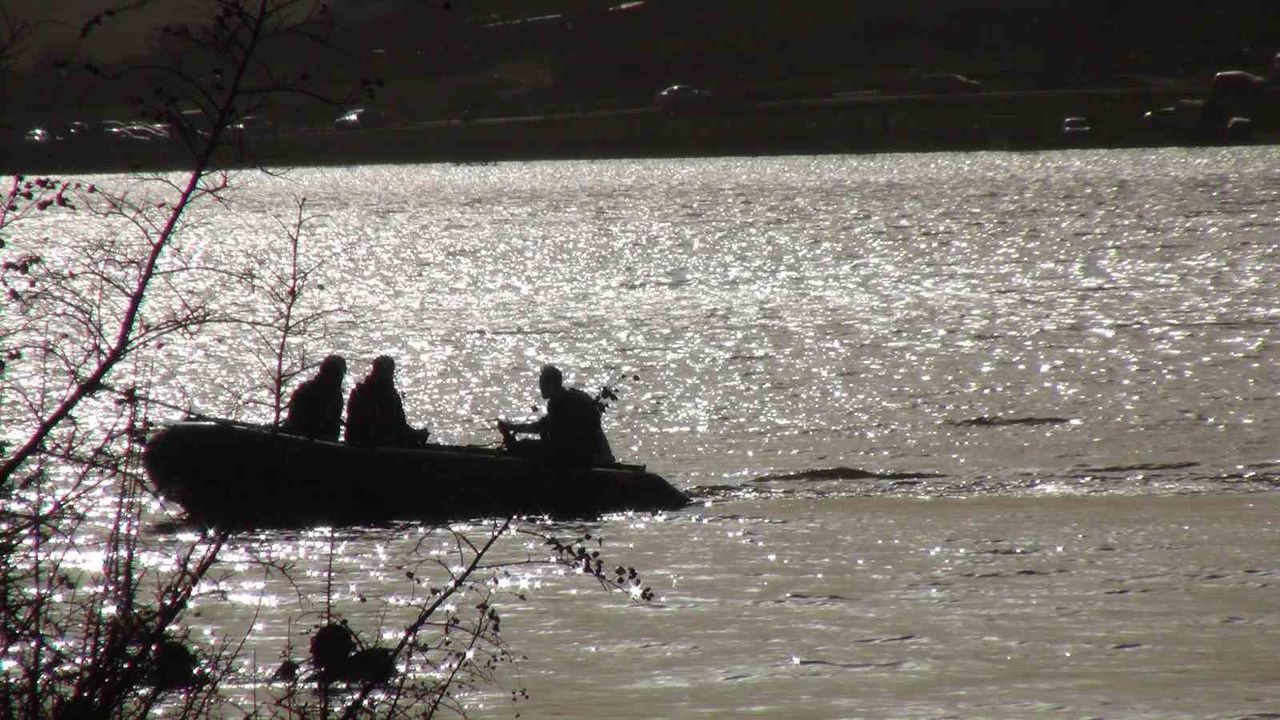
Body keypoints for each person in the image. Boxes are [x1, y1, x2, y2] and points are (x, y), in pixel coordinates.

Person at [497, 365, 615, 467]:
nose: (540, 388)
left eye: (543, 384)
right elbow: (544, 426)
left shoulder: (560, 403)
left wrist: (510, 428)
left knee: (523, 446)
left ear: (552, 385)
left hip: (583, 457)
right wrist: (512, 427)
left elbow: (541, 428)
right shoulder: (569, 396)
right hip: (588, 453)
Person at [345, 355, 429, 448]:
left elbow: (400, 426)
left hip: (368, 443)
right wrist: (416, 435)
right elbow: (396, 428)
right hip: (371, 445)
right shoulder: (363, 395)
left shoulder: (359, 392)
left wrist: (417, 434)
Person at [279, 354, 347, 441]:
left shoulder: (337, 396)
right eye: (336, 373)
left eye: (340, 374)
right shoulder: (306, 391)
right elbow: (296, 422)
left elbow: (333, 422)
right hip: (300, 439)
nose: (339, 378)